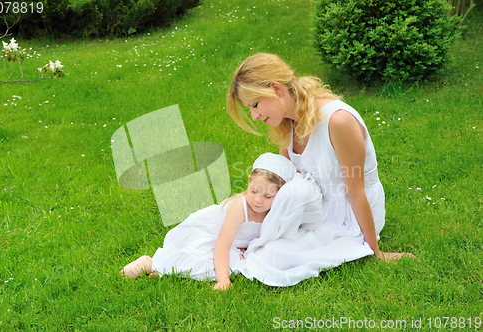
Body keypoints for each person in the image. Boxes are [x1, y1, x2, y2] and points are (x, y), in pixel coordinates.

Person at [227, 53, 414, 260]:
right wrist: (248, 205)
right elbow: (283, 182)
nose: (254, 116)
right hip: (315, 203)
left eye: (255, 105)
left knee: (276, 257)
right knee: (227, 222)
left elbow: (356, 192)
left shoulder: (338, 121)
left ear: (276, 89)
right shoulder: (286, 121)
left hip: (348, 213)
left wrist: (375, 250)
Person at [120, 152, 296, 290]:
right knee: (208, 266)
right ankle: (150, 263)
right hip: (210, 234)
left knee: (237, 264)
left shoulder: (274, 212)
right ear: (249, 181)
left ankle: (164, 270)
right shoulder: (240, 207)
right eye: (254, 191)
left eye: (267, 196)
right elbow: (222, 244)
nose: (258, 200)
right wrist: (223, 280)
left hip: (232, 243)